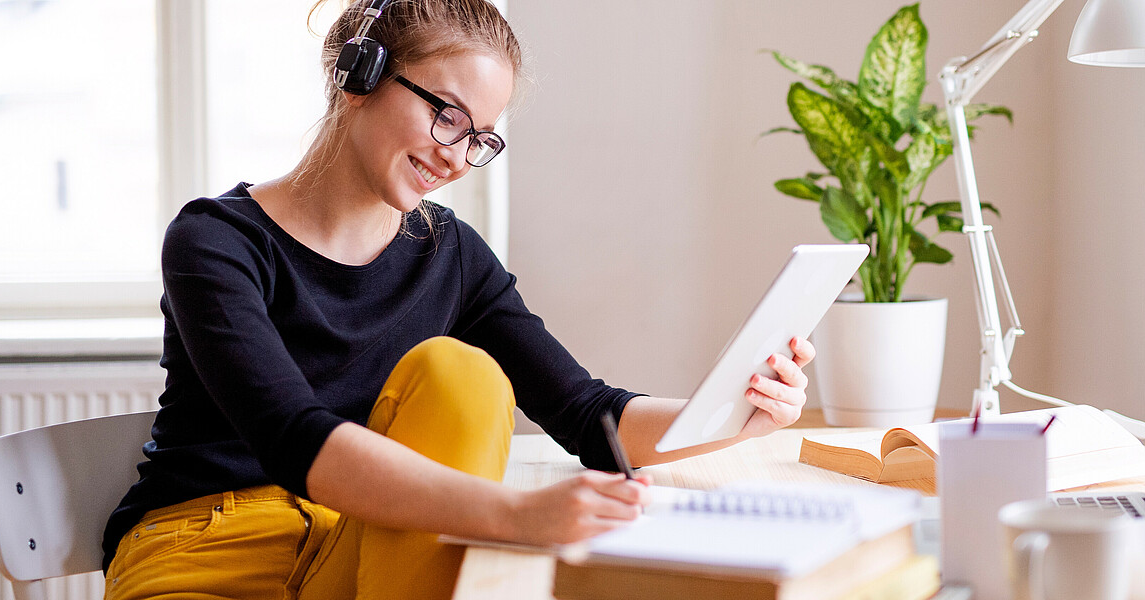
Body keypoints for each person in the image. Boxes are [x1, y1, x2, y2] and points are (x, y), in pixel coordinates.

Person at [101, 1, 815, 599]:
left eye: (479, 137)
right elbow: (294, 437)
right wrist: (516, 514)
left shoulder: (451, 252)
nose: (455, 154)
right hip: (206, 546)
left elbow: (587, 415)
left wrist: (735, 414)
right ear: (361, 75)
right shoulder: (215, 241)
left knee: (461, 374)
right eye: (447, 114)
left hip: (360, 542)